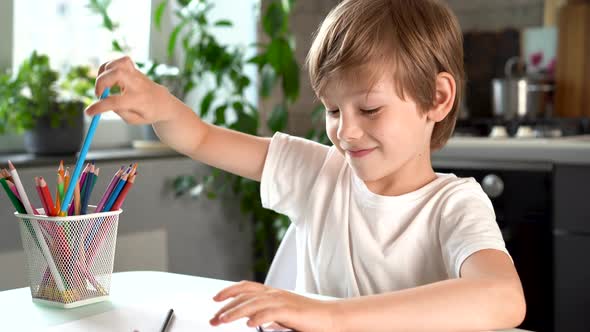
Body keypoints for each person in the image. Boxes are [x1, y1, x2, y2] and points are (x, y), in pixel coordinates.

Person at [85, 0, 526, 330]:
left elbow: (504, 298)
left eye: (369, 110)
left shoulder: (454, 206)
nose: (345, 132)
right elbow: (200, 136)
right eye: (333, 110)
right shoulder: (319, 173)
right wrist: (160, 106)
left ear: (437, 98)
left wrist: (327, 315)